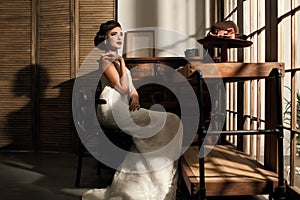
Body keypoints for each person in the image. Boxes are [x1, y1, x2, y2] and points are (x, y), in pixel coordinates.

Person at [81, 20, 183, 200]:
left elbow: (132, 90)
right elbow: (121, 87)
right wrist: (121, 62)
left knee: (171, 121)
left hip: (123, 105)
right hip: (111, 108)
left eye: (121, 33)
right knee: (171, 121)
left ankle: (149, 178)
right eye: (113, 34)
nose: (119, 37)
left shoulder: (118, 62)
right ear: (105, 40)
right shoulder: (105, 60)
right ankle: (154, 177)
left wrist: (135, 96)